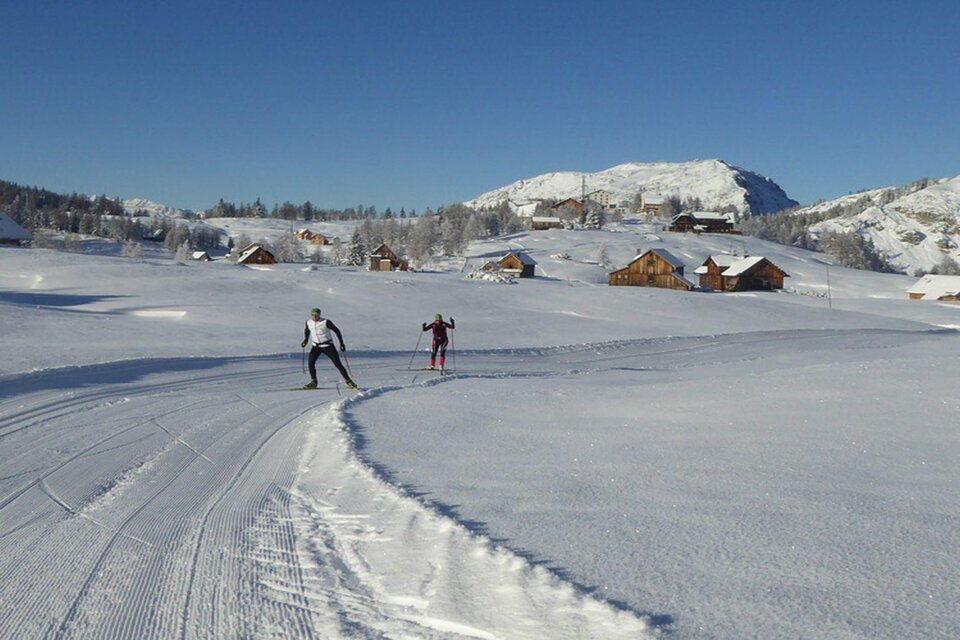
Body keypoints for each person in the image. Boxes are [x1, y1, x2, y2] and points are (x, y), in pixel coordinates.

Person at [300, 308, 358, 390]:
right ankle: (314, 382)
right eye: (313, 315)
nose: (314, 317)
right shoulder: (308, 322)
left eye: (316, 315)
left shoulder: (325, 322)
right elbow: (307, 331)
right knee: (311, 363)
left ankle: (348, 381)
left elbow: (337, 331)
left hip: (328, 346)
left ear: (319, 315)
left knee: (337, 364)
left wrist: (341, 343)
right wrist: (305, 340)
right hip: (315, 346)